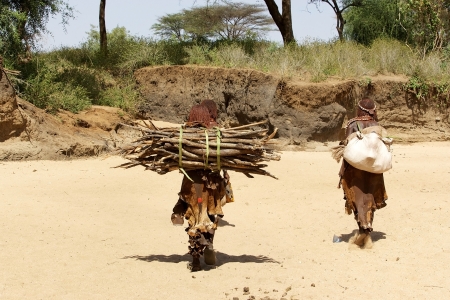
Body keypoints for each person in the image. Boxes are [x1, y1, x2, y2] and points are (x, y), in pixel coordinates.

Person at [171, 101, 234, 272]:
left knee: (194, 217)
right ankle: (209, 245)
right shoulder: (214, 131)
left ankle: (195, 258)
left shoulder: (184, 133)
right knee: (210, 215)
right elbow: (223, 157)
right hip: (210, 185)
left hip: (191, 183)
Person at [338, 98, 388, 247]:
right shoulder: (377, 126)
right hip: (373, 169)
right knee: (369, 197)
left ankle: (363, 230)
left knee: (356, 198)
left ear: (360, 109)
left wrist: (342, 170)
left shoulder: (352, 124)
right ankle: (367, 229)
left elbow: (347, 148)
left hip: (355, 169)